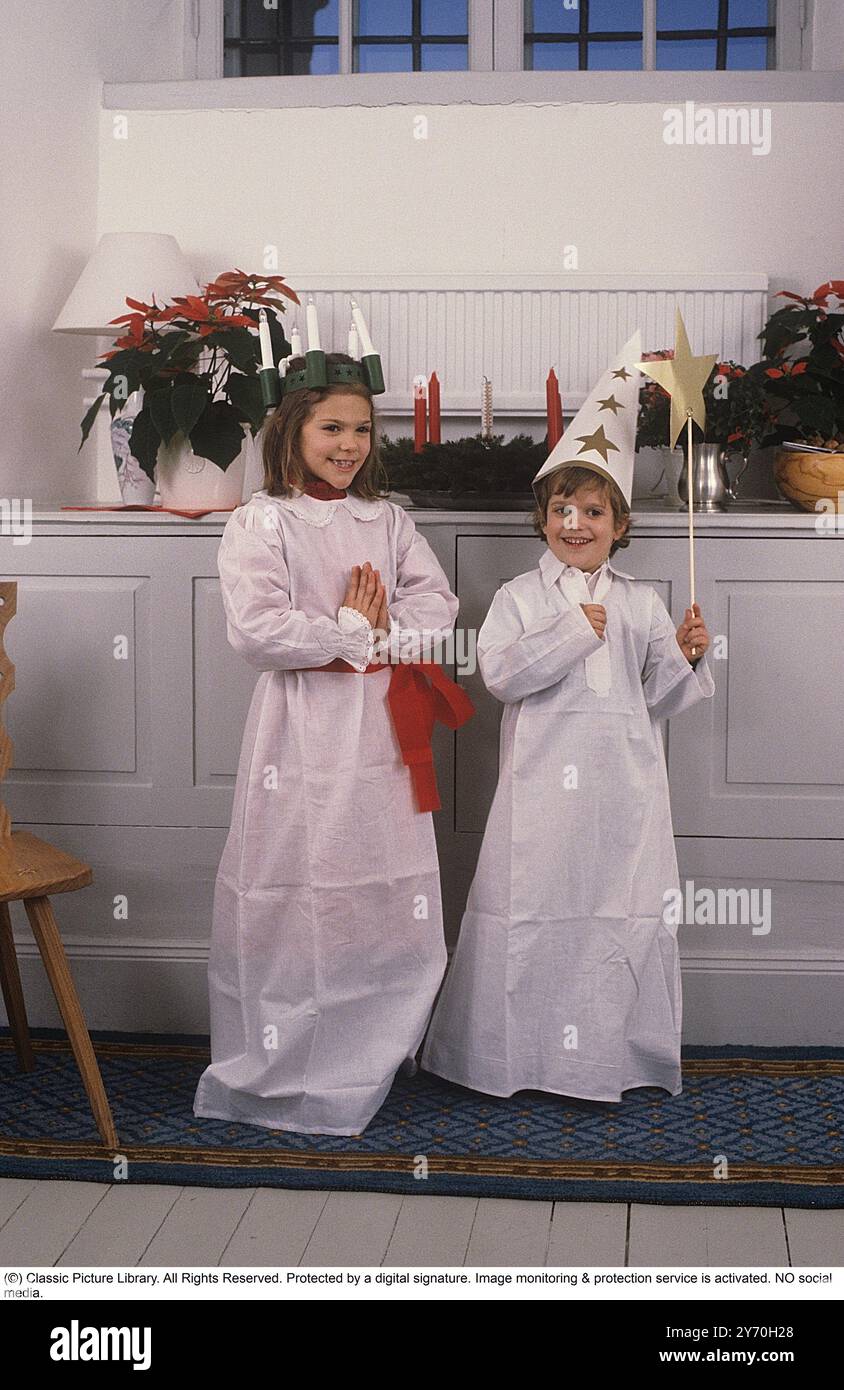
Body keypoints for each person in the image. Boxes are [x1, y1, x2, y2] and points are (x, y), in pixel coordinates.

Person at [421, 331, 715, 1104]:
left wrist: (685, 656)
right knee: (531, 912)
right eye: (562, 509)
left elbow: (662, 696)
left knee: (614, 913)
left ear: (620, 524)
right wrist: (566, 631)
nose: (575, 524)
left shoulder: (642, 601)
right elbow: (502, 677)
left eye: (593, 511)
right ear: (542, 516)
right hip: (541, 791)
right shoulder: (522, 599)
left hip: (624, 787)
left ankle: (611, 1061)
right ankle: (510, 1059)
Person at [193, 338, 472, 1137]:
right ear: (291, 432)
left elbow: (435, 601)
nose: (348, 446)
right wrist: (349, 627)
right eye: (331, 430)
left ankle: (369, 1049)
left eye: (360, 431)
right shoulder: (262, 521)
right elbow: (257, 629)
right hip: (301, 734)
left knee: (379, 886)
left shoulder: (385, 520)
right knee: (295, 888)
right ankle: (289, 1061)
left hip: (382, 725)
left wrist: (380, 640)